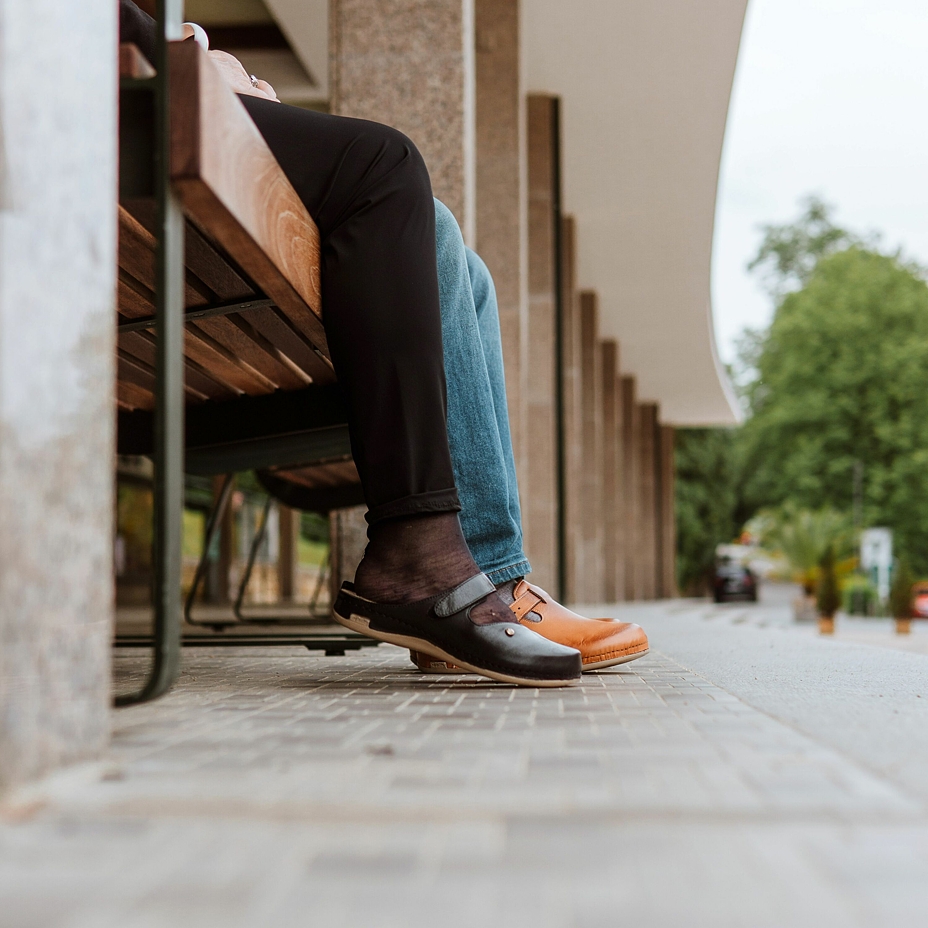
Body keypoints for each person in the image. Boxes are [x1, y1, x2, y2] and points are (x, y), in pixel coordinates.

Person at [119, 1, 647, 685]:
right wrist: (187, 56)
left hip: (126, 100)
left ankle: (488, 573)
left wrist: (186, 45)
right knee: (382, 165)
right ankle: (427, 561)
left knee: (462, 264)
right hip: (86, 90)